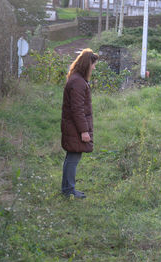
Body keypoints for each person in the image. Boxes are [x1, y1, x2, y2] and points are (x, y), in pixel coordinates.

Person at [60, 48, 99, 198]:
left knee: (71, 157)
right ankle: (69, 190)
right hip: (75, 127)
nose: (94, 68)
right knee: (73, 158)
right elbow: (77, 110)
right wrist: (84, 131)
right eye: (93, 64)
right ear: (86, 64)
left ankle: (67, 189)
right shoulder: (78, 83)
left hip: (72, 126)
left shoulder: (77, 79)